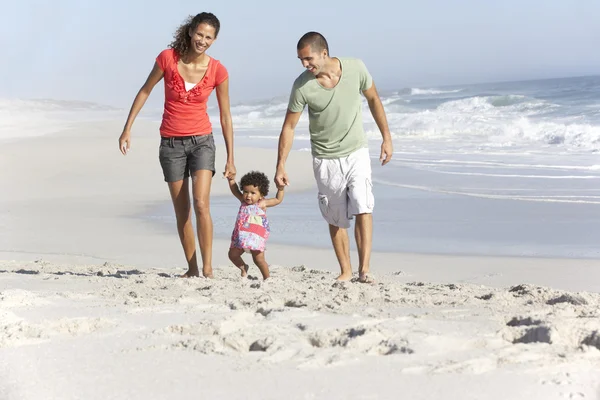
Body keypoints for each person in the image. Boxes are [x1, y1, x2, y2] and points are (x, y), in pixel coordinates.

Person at [118, 12, 236, 278]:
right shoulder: (167, 58)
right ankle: (192, 268)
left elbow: (225, 115)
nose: (202, 41)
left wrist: (230, 157)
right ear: (191, 32)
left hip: (202, 142)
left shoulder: (218, 70)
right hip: (171, 144)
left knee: (201, 203)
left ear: (214, 40)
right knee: (182, 211)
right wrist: (127, 128)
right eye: (199, 34)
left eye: (209, 37)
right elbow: (145, 90)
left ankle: (208, 268)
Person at [274, 31, 393, 283]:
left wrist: (387, 137)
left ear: (324, 53)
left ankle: (364, 270)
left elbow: (373, 98)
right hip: (326, 158)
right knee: (335, 216)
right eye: (301, 60)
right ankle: (346, 270)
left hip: (356, 151)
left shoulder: (356, 67)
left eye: (308, 58)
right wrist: (281, 165)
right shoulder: (302, 85)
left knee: (363, 205)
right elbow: (289, 127)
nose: (305, 65)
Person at [227, 171, 284, 280]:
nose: (248, 196)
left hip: (255, 238)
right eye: (245, 192)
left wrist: (280, 189)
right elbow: (235, 190)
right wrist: (231, 180)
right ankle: (243, 267)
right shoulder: (243, 201)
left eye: (253, 193)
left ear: (261, 194)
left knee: (259, 260)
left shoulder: (262, 203)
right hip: (241, 237)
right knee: (232, 255)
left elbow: (277, 200)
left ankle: (267, 278)